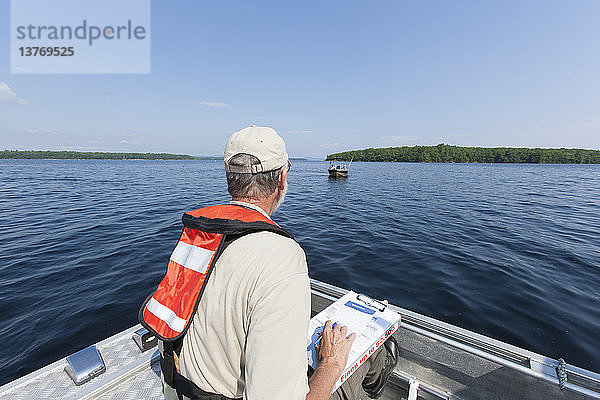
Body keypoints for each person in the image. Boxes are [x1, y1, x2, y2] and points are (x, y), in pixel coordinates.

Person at [139, 126, 398, 400]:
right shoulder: (282, 257)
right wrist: (331, 363)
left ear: (229, 180)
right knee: (377, 348)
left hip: (186, 389)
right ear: (281, 180)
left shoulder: (198, 238)